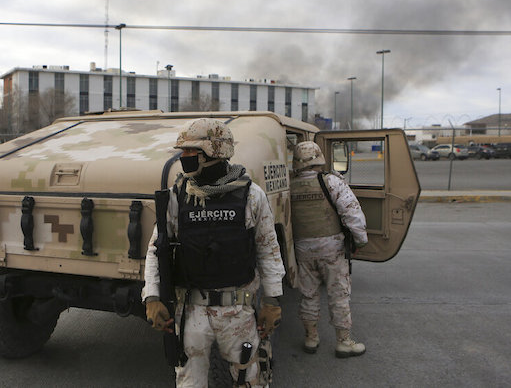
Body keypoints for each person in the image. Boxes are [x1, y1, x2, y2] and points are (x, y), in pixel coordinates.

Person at [143, 118, 285, 387]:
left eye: (190, 152)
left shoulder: (252, 196)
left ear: (214, 152)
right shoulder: (178, 195)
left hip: (238, 312)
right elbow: (156, 249)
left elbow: (269, 250)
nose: (183, 158)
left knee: (250, 380)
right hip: (191, 312)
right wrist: (151, 296)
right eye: (182, 152)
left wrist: (272, 301)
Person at [290, 141, 368, 358]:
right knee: (338, 294)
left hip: (302, 249)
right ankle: (343, 342)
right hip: (332, 248)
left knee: (308, 295)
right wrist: (360, 241)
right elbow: (352, 213)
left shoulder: (289, 184)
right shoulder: (331, 181)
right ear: (318, 158)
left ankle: (311, 338)